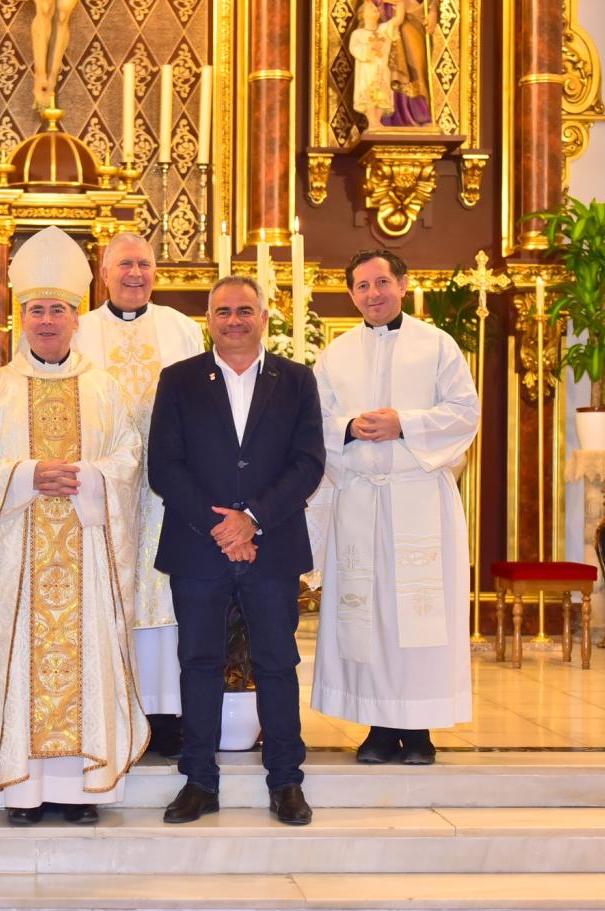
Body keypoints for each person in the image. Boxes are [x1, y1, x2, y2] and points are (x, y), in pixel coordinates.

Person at [0, 226, 149, 826]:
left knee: (84, 656)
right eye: (36, 309)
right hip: (17, 562)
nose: (46, 320)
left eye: (57, 310)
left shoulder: (105, 389)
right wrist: (26, 475)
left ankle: (81, 788)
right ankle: (21, 788)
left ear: (75, 316)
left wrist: (89, 477)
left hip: (86, 557)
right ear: (22, 316)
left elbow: (128, 459)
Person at [148, 275, 324, 826]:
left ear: (264, 315)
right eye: (222, 311)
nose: (233, 320)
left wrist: (252, 521)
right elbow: (164, 466)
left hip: (271, 549)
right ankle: (199, 781)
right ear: (209, 319)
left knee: (276, 663)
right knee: (197, 663)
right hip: (198, 549)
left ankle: (286, 781)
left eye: (244, 310)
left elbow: (308, 462)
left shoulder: (296, 380)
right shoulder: (178, 380)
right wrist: (219, 526)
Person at [310, 248, 480, 765]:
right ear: (351, 294)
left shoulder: (438, 345)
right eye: (362, 286)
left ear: (403, 284)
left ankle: (420, 729)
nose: (373, 294)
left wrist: (403, 422)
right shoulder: (334, 355)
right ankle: (377, 727)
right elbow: (313, 420)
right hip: (360, 500)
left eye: (381, 282)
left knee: (421, 616)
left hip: (418, 499)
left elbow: (464, 412)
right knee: (369, 616)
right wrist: (347, 428)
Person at [73, 232, 204, 760]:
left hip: (169, 490)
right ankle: (110, 706)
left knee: (166, 598)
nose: (135, 274)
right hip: (102, 491)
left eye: (145, 265)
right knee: (107, 594)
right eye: (124, 264)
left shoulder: (181, 328)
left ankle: (165, 713)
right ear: (103, 274)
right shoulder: (79, 331)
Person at [382, 0, 434, 127]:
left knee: (416, 65)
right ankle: (391, 115)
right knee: (390, 67)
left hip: (414, 15)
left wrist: (433, 10)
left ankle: (419, 114)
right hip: (386, 17)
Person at [349, 0, 399, 132]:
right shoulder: (358, 34)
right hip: (367, 73)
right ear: (363, 14)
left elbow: (398, 18)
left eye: (376, 8)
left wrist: (398, 3)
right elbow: (354, 49)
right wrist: (370, 46)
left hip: (382, 71)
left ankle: (377, 122)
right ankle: (372, 123)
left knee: (382, 96)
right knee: (370, 97)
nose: (375, 9)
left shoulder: (383, 29)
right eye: (370, 8)